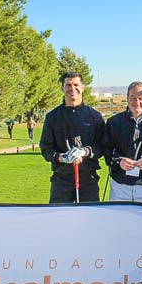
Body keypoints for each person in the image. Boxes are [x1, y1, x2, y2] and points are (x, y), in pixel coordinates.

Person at [39, 71, 105, 203]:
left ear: (83, 87)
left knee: (90, 221)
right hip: (61, 180)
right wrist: (62, 158)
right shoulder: (53, 117)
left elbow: (102, 146)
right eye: (68, 85)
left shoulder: (95, 116)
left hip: (88, 180)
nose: (72, 89)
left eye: (76, 85)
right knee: (59, 220)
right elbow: (46, 148)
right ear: (62, 88)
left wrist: (85, 151)